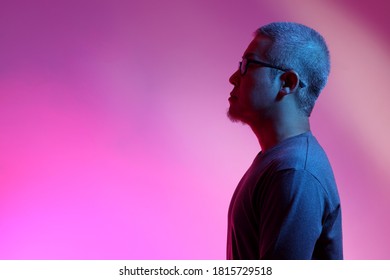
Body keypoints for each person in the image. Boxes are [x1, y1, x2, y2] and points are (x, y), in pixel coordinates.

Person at [226, 22, 343, 260]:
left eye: (248, 65)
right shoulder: (280, 162)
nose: (233, 77)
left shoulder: (294, 172)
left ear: (287, 82)